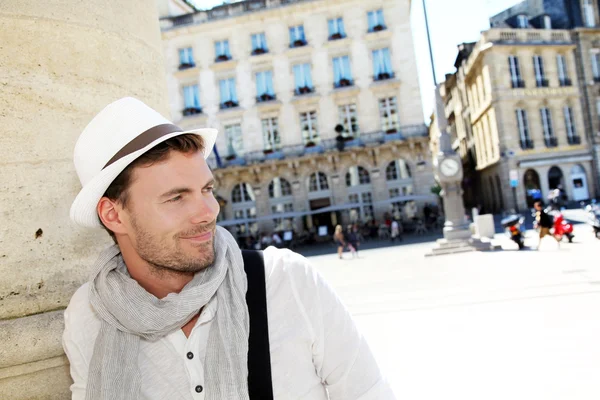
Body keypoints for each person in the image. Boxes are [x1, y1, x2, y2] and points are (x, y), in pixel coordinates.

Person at [62, 98, 394, 400]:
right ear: (113, 214)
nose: (209, 212)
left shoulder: (285, 280)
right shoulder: (88, 315)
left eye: (206, 189)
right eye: (177, 197)